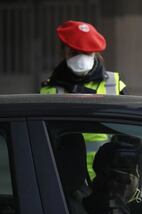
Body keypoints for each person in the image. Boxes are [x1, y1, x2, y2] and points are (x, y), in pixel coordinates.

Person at [40, 20, 127, 178]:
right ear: (63, 51)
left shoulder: (114, 84)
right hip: (65, 181)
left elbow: (129, 139)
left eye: (86, 53)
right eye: (74, 52)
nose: (81, 58)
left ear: (95, 53)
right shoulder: (48, 90)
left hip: (107, 179)